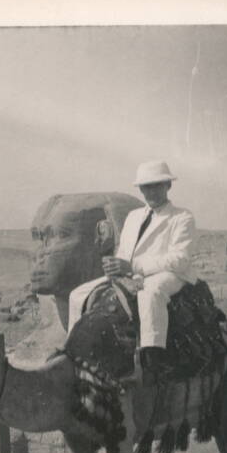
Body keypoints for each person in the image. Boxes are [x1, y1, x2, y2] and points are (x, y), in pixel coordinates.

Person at [68, 160, 198, 376]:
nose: (151, 191)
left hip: (170, 274)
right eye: (146, 187)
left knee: (150, 294)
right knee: (77, 294)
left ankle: (152, 357)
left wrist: (133, 266)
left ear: (168, 185)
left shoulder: (182, 217)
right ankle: (73, 352)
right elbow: (125, 252)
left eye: (157, 185)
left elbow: (180, 259)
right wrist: (115, 266)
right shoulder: (133, 217)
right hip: (132, 273)